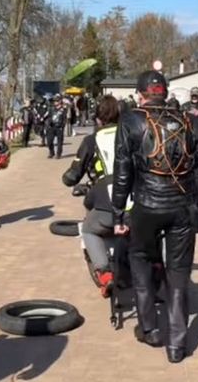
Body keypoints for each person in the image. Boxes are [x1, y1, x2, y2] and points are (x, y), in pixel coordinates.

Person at [112, 70, 198, 363]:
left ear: (140, 94)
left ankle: (150, 329)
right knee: (179, 273)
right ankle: (177, 346)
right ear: (166, 93)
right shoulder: (191, 122)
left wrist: (118, 212)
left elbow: (122, 172)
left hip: (146, 205)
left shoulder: (131, 121)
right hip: (182, 207)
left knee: (141, 261)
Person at [62, 95, 120, 297]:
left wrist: (68, 178)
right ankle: (155, 266)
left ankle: (104, 273)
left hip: (105, 199)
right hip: (136, 199)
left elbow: (73, 175)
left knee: (89, 229)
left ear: (97, 119)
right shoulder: (131, 134)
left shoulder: (91, 140)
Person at [46, 94, 66, 159]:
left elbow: (64, 119)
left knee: (59, 142)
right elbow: (49, 117)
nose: (55, 102)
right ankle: (51, 152)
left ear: (60, 101)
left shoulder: (63, 109)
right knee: (49, 141)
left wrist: (62, 126)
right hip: (52, 127)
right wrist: (49, 123)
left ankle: (58, 154)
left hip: (59, 127)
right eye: (55, 101)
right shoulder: (51, 109)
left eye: (57, 100)